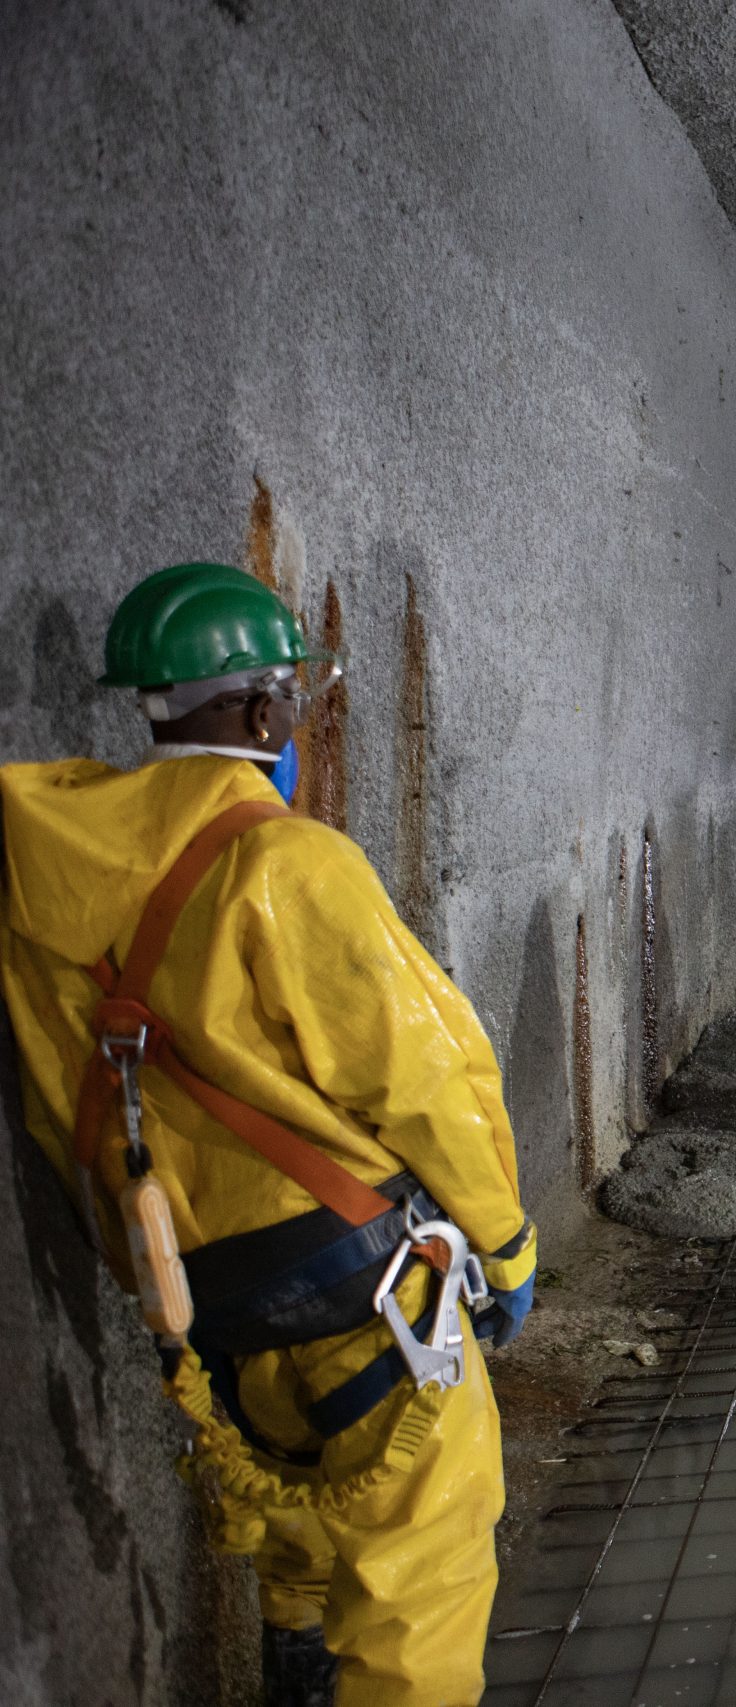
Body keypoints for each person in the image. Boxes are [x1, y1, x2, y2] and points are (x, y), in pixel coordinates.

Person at [1, 562, 537, 1705]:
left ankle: (296, 1663)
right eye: (291, 695)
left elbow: (63, 1100)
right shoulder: (289, 863)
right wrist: (508, 1244)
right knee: (424, 1569)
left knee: (292, 1500)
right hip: (361, 1288)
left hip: (203, 1301)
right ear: (260, 712)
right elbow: (423, 1078)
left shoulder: (40, 880)